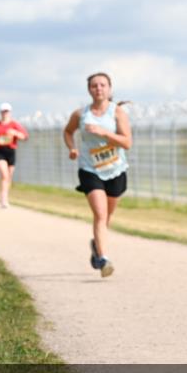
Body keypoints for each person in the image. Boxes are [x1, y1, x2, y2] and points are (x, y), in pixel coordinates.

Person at [62, 72, 132, 278]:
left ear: (109, 89)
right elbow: (67, 132)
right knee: (100, 215)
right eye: (94, 85)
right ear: (89, 90)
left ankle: (96, 245)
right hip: (90, 169)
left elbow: (127, 143)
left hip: (115, 169)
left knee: (107, 217)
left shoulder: (117, 112)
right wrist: (72, 148)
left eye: (102, 85)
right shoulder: (80, 114)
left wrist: (104, 133)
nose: (98, 88)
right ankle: (103, 259)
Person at [0, 103, 28, 208]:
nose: (5, 113)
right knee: (4, 175)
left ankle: (5, 197)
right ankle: (3, 199)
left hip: (11, 151)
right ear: (0, 112)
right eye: (3, 111)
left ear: (10, 112)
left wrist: (15, 133)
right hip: (0, 151)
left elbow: (25, 136)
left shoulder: (14, 124)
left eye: (7, 111)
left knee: (9, 177)